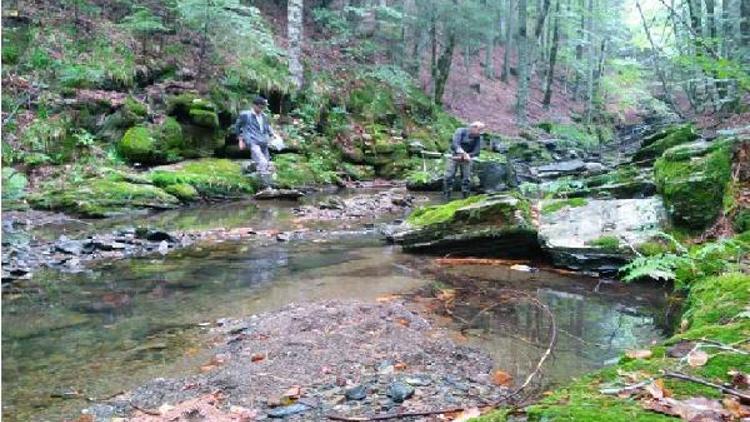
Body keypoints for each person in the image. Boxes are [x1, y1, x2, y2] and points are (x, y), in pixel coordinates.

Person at [234, 96, 279, 189]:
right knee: (262, 162)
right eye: (259, 106)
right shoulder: (245, 115)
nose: (261, 109)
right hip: (252, 141)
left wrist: (273, 135)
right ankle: (264, 187)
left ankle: (249, 171)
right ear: (254, 105)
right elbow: (237, 126)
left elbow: (267, 128)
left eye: (263, 107)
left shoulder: (264, 116)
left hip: (263, 142)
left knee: (266, 163)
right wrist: (240, 140)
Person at [443, 121, 485, 199]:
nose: (480, 133)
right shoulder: (460, 131)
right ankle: (446, 196)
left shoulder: (478, 137)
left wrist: (467, 156)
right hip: (453, 156)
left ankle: (466, 197)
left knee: (466, 178)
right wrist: (463, 153)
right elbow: (455, 144)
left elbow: (477, 151)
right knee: (449, 176)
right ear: (473, 128)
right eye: (479, 130)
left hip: (467, 158)